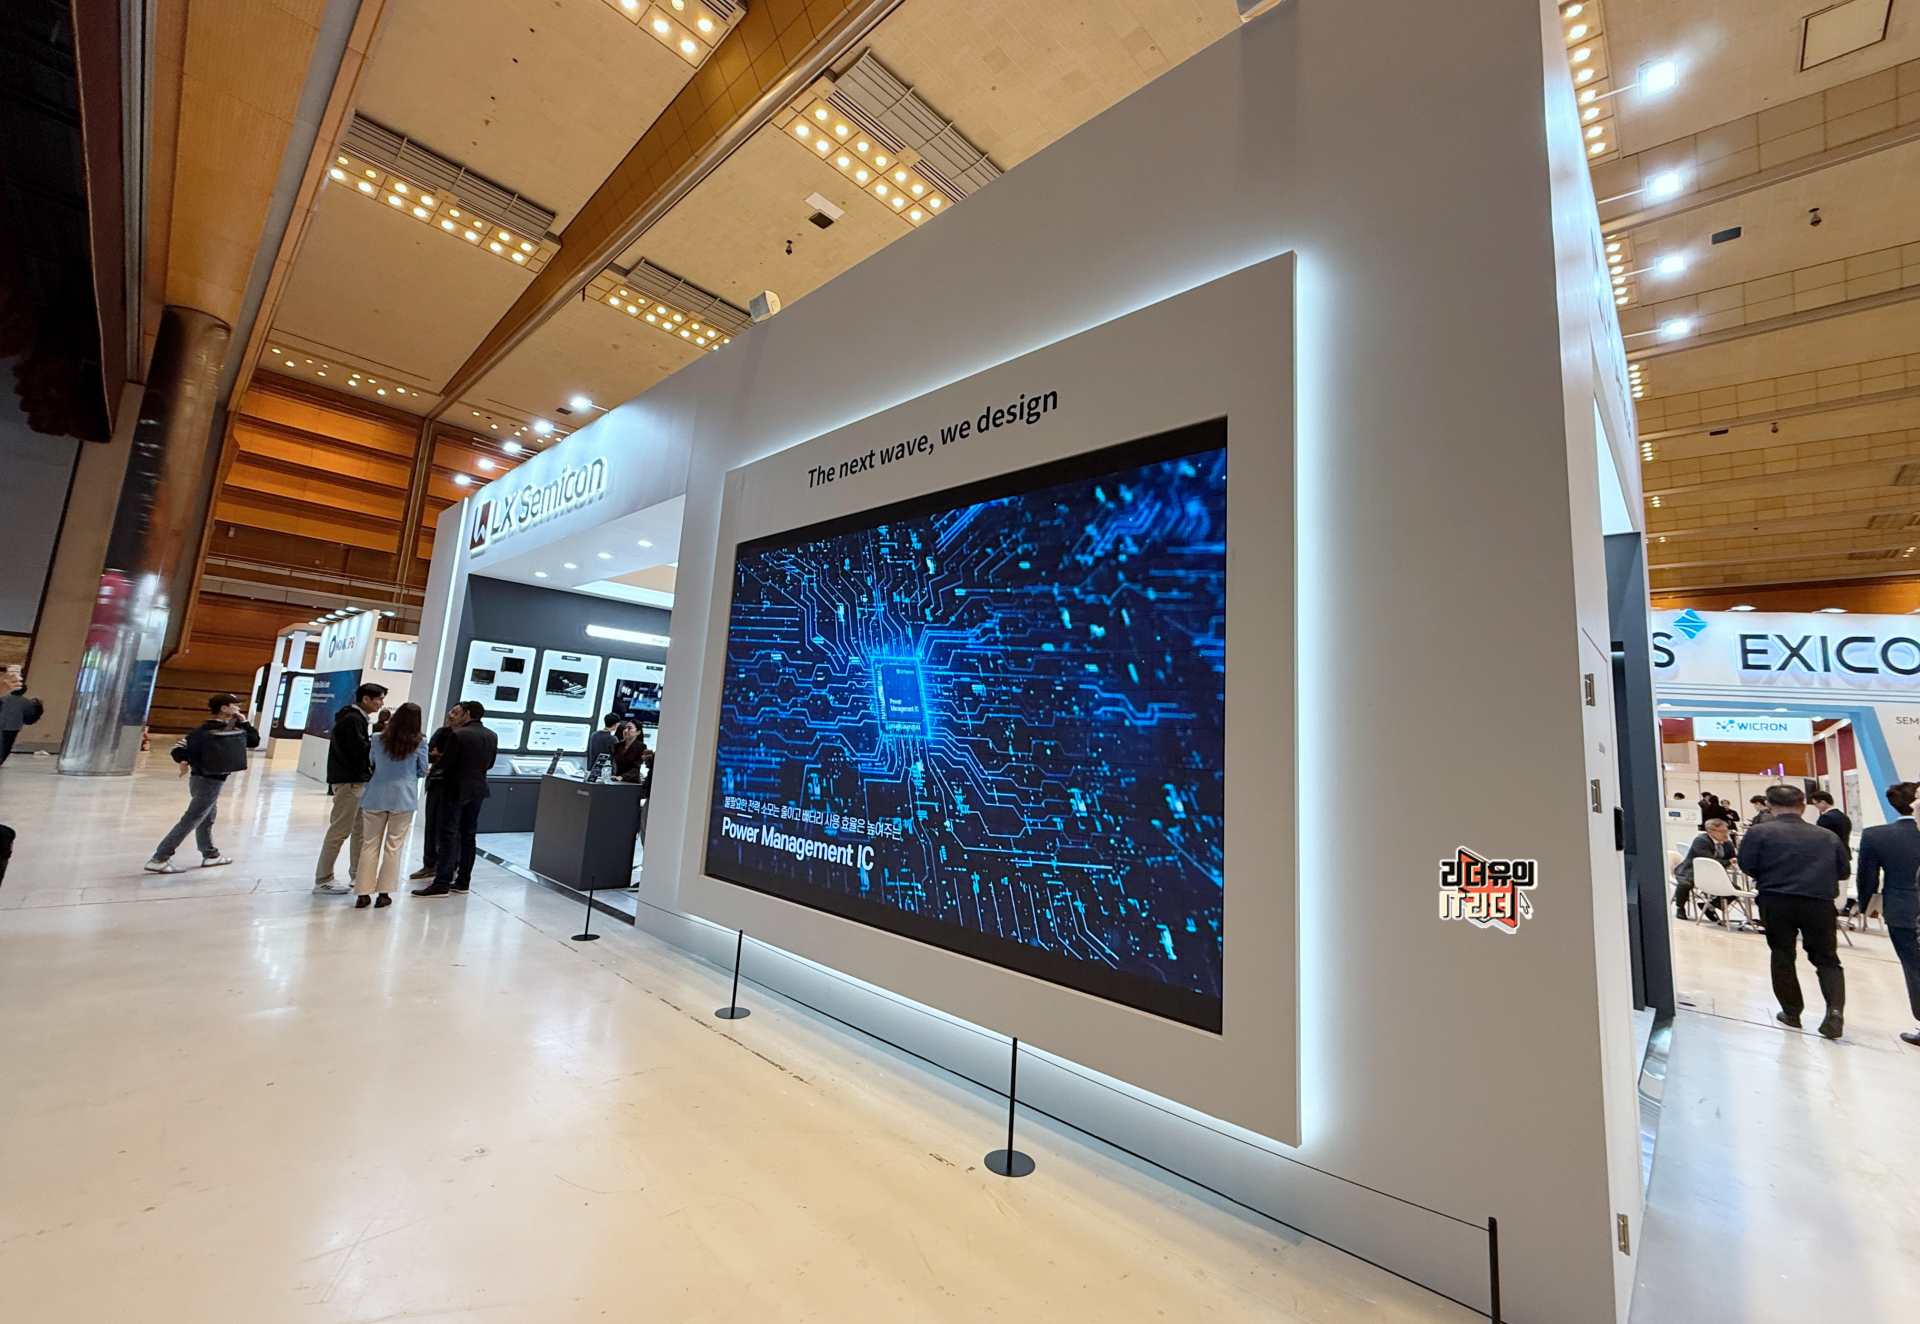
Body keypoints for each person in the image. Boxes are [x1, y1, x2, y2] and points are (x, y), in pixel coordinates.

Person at [1737, 784, 1850, 1039]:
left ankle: (1791, 1012)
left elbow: (1746, 864)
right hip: (1819, 903)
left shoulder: (1758, 832)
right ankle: (1834, 1012)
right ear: (1803, 806)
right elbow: (1843, 871)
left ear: (1769, 805)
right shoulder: (1827, 836)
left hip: (1776, 899)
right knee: (1827, 959)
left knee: (1782, 954)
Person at [145, 693, 260, 873]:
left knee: (207, 817)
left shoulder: (209, 729)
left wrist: (184, 759)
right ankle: (160, 858)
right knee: (192, 818)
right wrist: (245, 723)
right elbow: (254, 740)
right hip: (210, 781)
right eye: (235, 705)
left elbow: (178, 748)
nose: (238, 708)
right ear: (224, 708)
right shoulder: (220, 731)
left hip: (199, 778)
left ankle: (210, 854)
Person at [1855, 781, 1920, 1048]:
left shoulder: (1876, 836)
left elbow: (1867, 876)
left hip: (1902, 908)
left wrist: (1864, 905)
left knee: (1914, 967)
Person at [413, 700, 497, 897]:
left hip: (455, 790)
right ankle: (462, 882)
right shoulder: (491, 735)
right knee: (468, 836)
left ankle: (441, 883)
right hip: (478, 790)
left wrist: (435, 770)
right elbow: (490, 764)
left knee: (448, 836)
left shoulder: (459, 735)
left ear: (467, 714)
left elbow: (445, 763)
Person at [313, 683, 388, 895]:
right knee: (340, 830)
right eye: (378, 699)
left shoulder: (355, 719)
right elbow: (360, 751)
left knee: (360, 831)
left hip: (356, 781)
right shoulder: (352, 720)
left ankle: (358, 875)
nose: (381, 704)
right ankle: (323, 878)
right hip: (349, 782)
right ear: (366, 699)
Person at [354, 702, 430, 909]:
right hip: (403, 798)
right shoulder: (420, 742)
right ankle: (384, 893)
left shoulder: (377, 738)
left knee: (369, 844)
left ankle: (362, 893)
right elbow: (422, 769)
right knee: (394, 846)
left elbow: (371, 762)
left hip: (375, 795)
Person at [410, 705, 463, 880]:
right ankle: (430, 864)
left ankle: (450, 866)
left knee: (451, 828)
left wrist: (441, 756)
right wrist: (442, 756)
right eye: (451, 711)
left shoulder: (464, 736)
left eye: (456, 713)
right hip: (435, 783)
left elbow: (454, 759)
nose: (451, 715)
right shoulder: (442, 732)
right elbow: (428, 754)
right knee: (431, 825)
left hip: (454, 786)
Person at [1672, 818, 1734, 922]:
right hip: (1692, 870)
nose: (1726, 834)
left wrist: (1734, 861)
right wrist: (1728, 862)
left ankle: (1710, 906)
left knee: (1733, 889)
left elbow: (1733, 858)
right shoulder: (1701, 841)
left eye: (1727, 831)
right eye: (1722, 831)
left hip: (1714, 873)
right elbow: (1708, 859)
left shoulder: (1727, 844)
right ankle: (1680, 908)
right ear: (1710, 831)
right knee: (1685, 884)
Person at [0, 679, 44, 764]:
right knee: (6, 745)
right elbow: (30, 713)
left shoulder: (3, 699)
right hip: (13, 726)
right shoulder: (27, 702)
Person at [586, 712, 620, 778]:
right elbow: (616, 757)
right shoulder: (612, 739)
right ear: (615, 724)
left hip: (591, 770)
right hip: (605, 773)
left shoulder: (594, 735)